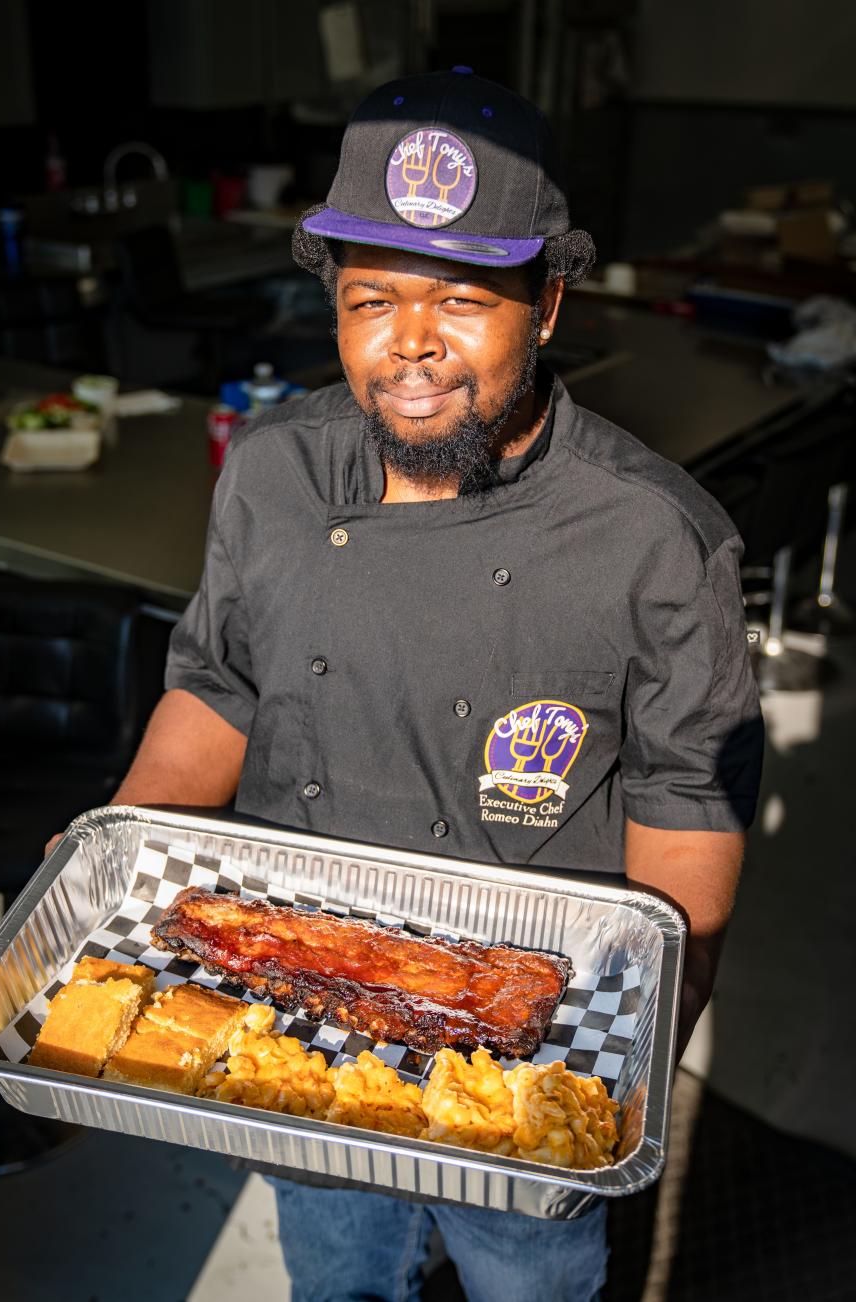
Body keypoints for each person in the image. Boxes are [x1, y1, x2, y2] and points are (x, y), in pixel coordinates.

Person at [102, 69, 763, 1302]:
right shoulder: (272, 474)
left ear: (550, 302)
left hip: (520, 1032)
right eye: (372, 302)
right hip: (305, 1001)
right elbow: (216, 682)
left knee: (527, 1276)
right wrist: (117, 856)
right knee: (341, 1272)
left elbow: (687, 804)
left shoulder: (655, 539)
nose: (410, 343)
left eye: (462, 298)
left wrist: (617, 1076)